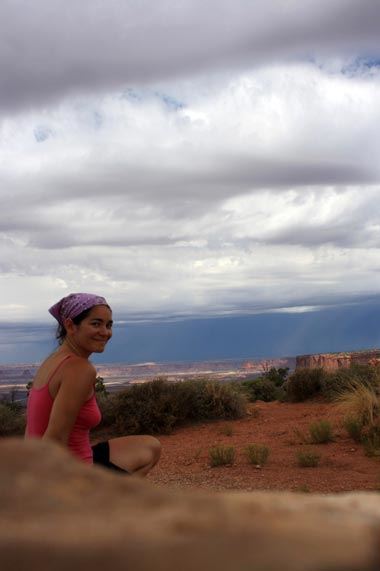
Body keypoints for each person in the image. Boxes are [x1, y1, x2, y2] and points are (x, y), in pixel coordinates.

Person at [25, 292, 161, 475]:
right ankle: (105, 501)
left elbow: (31, 430)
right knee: (138, 473)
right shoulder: (79, 369)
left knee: (150, 446)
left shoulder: (52, 361)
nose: (105, 332)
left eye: (108, 325)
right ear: (70, 325)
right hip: (72, 474)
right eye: (96, 324)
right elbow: (55, 439)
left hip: (38, 463)